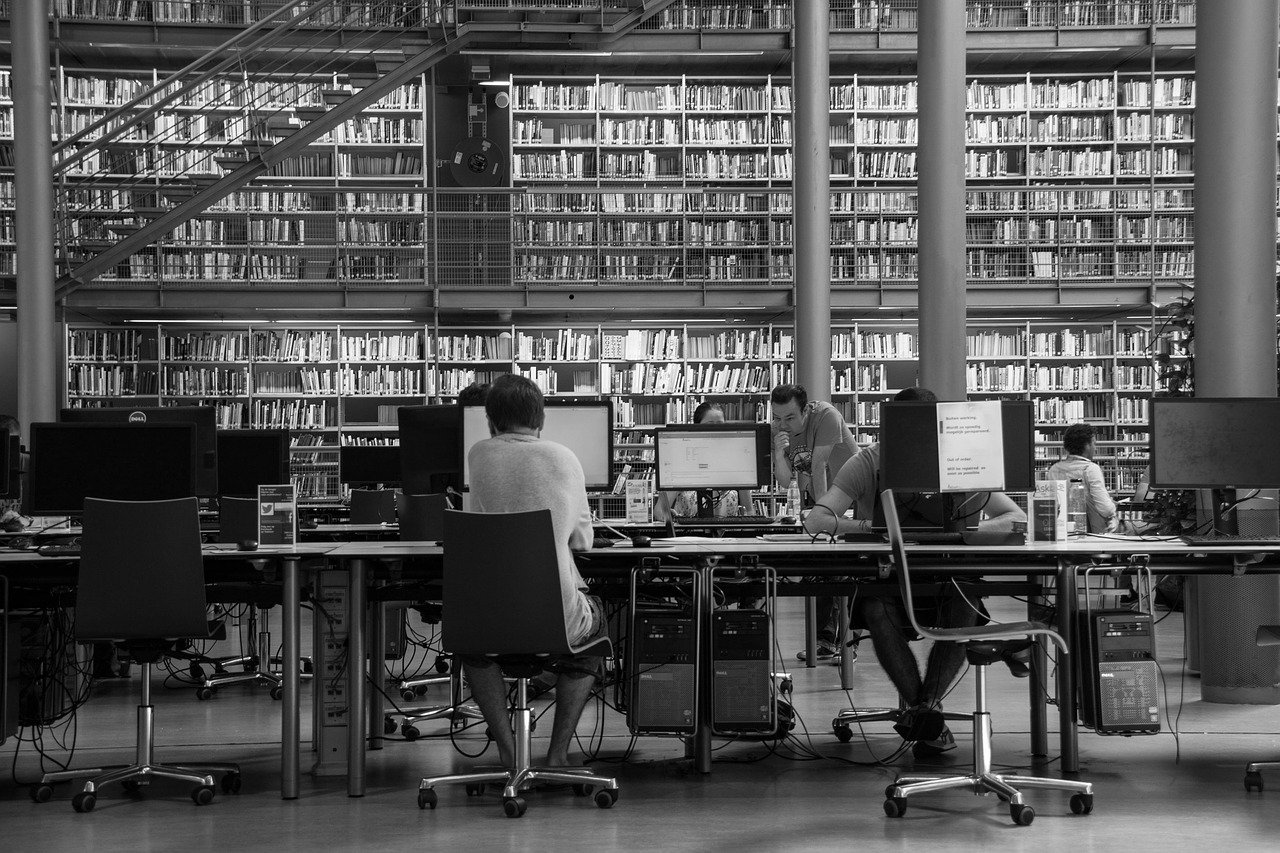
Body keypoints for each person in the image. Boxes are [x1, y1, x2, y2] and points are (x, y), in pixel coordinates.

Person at [803, 387, 1027, 757]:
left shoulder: (959, 460)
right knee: (876, 608)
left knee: (965, 601)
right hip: (886, 576)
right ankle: (927, 711)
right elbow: (817, 520)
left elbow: (1015, 517)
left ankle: (925, 709)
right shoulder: (868, 462)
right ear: (890, 429)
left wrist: (961, 535)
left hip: (946, 575)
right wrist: (872, 529)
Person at [463, 373, 606, 769]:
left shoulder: (477, 455)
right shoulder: (566, 458)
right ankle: (557, 753)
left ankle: (509, 753)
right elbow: (582, 542)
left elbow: (478, 528)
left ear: (490, 422)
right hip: (556, 617)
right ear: (541, 422)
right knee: (594, 637)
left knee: (473, 646)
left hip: (489, 618)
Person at [769, 384, 861, 661]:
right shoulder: (783, 432)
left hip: (853, 500)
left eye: (790, 417)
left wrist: (822, 514)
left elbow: (820, 466)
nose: (783, 424)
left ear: (805, 410)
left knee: (843, 570)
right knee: (819, 570)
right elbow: (786, 481)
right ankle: (824, 640)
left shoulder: (826, 416)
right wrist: (777, 451)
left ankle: (848, 644)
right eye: (777, 418)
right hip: (823, 502)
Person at [653, 401, 752, 521]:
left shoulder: (737, 462)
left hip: (728, 536)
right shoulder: (680, 462)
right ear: (696, 427)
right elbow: (660, 512)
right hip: (688, 536)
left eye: (720, 425)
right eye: (710, 425)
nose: (715, 431)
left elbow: (749, 511)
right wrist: (669, 517)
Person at [1045, 422, 1118, 533]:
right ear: (1087, 445)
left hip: (1059, 531)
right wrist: (1113, 507)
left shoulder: (1053, 470)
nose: (1096, 448)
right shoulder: (1091, 469)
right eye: (1094, 443)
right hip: (1089, 533)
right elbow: (1105, 508)